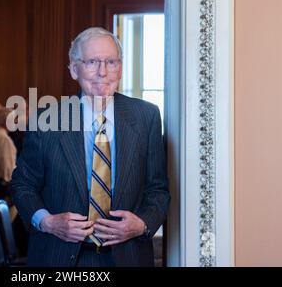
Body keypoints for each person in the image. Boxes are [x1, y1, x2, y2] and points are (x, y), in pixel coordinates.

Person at [11, 27, 170, 267]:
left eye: (111, 62)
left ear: (120, 67)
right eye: (93, 62)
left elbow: (158, 189)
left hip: (127, 256)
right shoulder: (48, 120)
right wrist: (48, 222)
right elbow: (23, 185)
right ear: (74, 69)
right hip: (59, 255)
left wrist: (142, 224)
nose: (103, 72)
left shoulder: (147, 116)